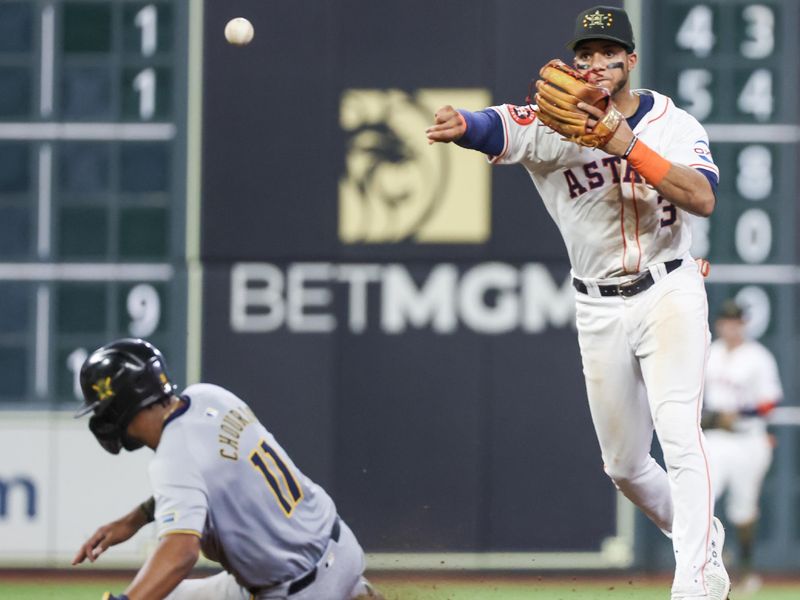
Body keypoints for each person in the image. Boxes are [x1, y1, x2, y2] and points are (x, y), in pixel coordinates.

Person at [426, 5, 729, 600]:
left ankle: (693, 584)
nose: (594, 65)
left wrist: (625, 143)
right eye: (585, 55)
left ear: (631, 60)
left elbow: (702, 196)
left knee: (679, 431)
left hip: (670, 287)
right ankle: (702, 535)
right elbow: (496, 125)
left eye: (607, 54)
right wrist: (461, 123)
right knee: (625, 468)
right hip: (597, 305)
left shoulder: (673, 123)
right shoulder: (551, 122)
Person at [71, 338, 382, 600]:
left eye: (102, 408)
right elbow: (212, 477)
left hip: (296, 590)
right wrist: (135, 519)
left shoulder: (172, 459)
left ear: (121, 405)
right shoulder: (210, 396)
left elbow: (180, 553)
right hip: (338, 546)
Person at [703, 300, 782, 595]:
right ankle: (710, 561)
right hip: (716, 438)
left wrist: (740, 414)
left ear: (744, 325)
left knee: (743, 510)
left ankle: (746, 568)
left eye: (736, 322)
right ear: (719, 324)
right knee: (702, 499)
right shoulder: (711, 354)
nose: (731, 327)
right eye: (726, 321)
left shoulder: (758, 357)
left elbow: (770, 401)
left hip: (748, 440)